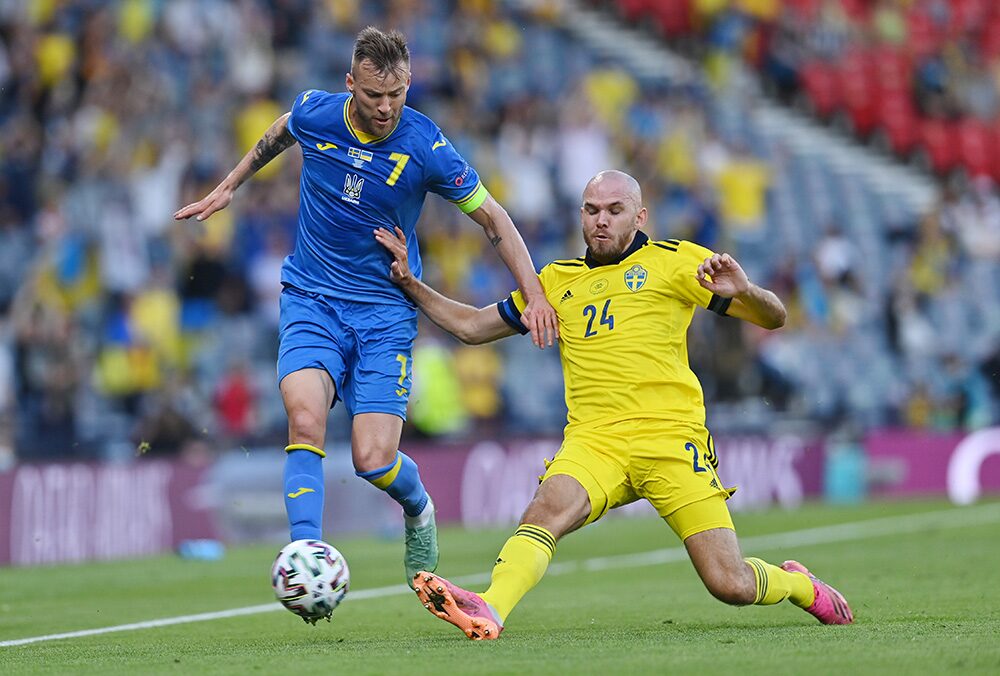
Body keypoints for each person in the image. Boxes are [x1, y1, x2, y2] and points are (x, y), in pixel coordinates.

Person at [374, 170, 853, 640]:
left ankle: (799, 585)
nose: (601, 220)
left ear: (639, 216)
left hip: (671, 438)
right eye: (591, 210)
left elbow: (775, 318)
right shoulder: (555, 281)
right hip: (595, 440)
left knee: (730, 584)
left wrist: (746, 292)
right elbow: (472, 327)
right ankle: (490, 608)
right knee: (544, 510)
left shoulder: (676, 261)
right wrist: (411, 283)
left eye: (614, 210)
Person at [174, 26, 558, 596]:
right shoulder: (319, 113)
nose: (385, 107)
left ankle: (418, 505)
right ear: (350, 83)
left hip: (384, 312)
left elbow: (493, 218)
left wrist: (536, 293)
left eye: (397, 94)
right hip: (312, 298)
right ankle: (306, 556)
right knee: (304, 417)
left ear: (409, 84)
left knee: (373, 459)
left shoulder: (426, 145)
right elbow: (282, 130)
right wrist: (230, 185)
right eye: (374, 95)